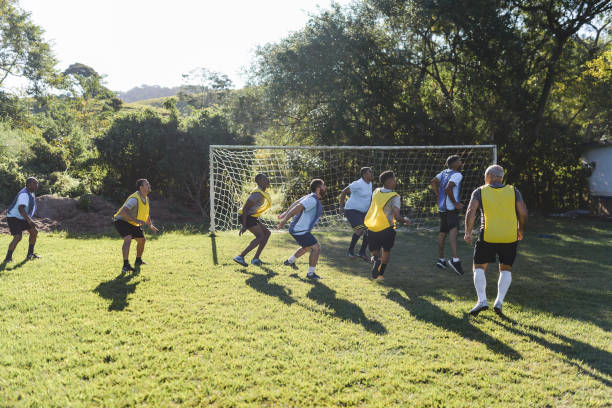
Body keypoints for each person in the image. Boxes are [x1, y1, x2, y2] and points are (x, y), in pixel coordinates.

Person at [464, 165, 528, 316]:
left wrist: (468, 232)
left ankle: (482, 301)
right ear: (501, 178)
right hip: (509, 237)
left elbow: (470, 211)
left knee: (478, 267)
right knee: (505, 268)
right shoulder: (514, 191)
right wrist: (521, 229)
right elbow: (523, 212)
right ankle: (499, 302)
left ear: (488, 177)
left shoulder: (480, 191)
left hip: (488, 236)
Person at [364, 171, 410, 281]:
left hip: (372, 227)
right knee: (386, 251)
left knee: (374, 251)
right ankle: (380, 275)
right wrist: (405, 220)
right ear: (389, 181)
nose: (396, 181)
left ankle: (375, 259)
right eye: (394, 179)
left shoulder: (376, 191)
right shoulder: (394, 196)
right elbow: (396, 215)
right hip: (387, 228)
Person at [277, 179, 326, 280]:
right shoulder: (312, 199)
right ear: (318, 188)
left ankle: (289, 261)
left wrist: (285, 213)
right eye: (323, 186)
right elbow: (298, 206)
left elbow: (296, 202)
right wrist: (284, 220)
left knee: (307, 247)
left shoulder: (311, 197)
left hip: (299, 229)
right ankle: (310, 274)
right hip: (299, 229)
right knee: (316, 248)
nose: (325, 188)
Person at [113, 179, 158, 273]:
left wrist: (150, 225)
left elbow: (146, 214)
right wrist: (136, 220)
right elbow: (123, 212)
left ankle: (138, 260)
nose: (149, 185)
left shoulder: (146, 198)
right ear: (141, 188)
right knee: (128, 238)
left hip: (133, 223)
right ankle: (126, 265)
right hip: (121, 220)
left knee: (142, 240)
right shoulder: (134, 199)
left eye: (148, 183)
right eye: (147, 184)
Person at [431, 155, 464, 275]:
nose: (461, 162)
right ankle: (455, 260)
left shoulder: (444, 172)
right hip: (451, 209)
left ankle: (441, 260)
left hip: (442, 208)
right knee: (453, 232)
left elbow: (433, 181)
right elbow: (448, 188)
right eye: (459, 161)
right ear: (455, 163)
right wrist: (455, 203)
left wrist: (437, 196)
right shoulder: (457, 175)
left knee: (442, 233)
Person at [233, 174, 272, 267]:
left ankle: (255, 259)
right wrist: (244, 225)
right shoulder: (257, 194)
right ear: (259, 182)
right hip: (246, 216)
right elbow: (245, 209)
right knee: (260, 236)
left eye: (267, 178)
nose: (267, 180)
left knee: (267, 233)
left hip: (252, 216)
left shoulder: (262, 192)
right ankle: (240, 256)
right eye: (264, 179)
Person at [339, 167, 373, 261]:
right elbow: (343, 192)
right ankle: (350, 251)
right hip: (351, 210)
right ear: (364, 174)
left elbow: (369, 198)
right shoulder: (357, 184)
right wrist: (341, 207)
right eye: (370, 172)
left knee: (369, 231)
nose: (371, 174)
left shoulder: (370, 183)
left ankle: (361, 252)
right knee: (360, 229)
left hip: (363, 212)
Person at [3, 177, 41, 263]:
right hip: (14, 217)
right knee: (18, 237)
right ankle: (8, 258)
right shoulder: (24, 194)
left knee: (34, 232)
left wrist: (29, 219)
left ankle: (30, 254)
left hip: (22, 217)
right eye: (34, 184)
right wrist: (30, 221)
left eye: (37, 184)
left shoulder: (31, 192)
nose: (37, 186)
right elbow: (21, 209)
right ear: (28, 185)